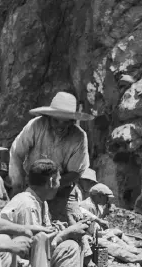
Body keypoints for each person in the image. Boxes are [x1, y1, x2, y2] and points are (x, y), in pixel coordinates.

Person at [8, 92, 92, 225]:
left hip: (62, 188)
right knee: (21, 220)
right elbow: (16, 153)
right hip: (31, 184)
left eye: (66, 122)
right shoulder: (36, 126)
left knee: (70, 226)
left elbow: (75, 173)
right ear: (48, 118)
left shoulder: (79, 137)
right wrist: (18, 183)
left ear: (72, 121)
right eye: (56, 120)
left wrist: (50, 186)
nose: (60, 126)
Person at [76, 183, 142, 267]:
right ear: (99, 196)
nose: (107, 200)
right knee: (115, 248)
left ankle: (141, 254)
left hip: (95, 235)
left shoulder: (95, 205)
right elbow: (88, 228)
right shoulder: (87, 206)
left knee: (116, 241)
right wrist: (103, 233)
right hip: (88, 238)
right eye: (106, 197)